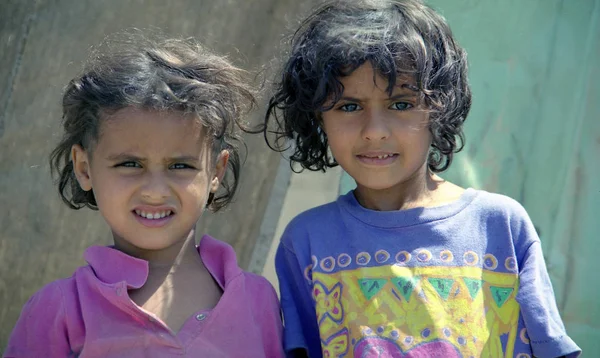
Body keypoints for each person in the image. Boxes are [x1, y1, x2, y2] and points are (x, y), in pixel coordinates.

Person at [259, 1, 581, 357]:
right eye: (348, 106)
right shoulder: (307, 242)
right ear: (317, 118)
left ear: (440, 106)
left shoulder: (500, 227)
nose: (375, 131)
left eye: (401, 104)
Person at [5, 32, 283, 358]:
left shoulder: (257, 300)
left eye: (180, 165)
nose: (154, 190)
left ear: (216, 172)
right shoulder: (61, 310)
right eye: (129, 164)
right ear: (84, 168)